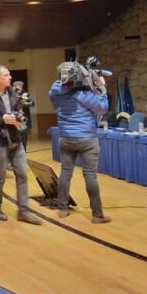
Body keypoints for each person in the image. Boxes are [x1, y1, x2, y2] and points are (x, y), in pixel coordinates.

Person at [0, 65, 41, 225]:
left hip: (15, 140)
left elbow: (16, 110)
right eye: (6, 75)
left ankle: (23, 211)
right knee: (0, 177)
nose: (10, 77)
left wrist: (19, 119)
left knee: (22, 175)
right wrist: (1, 119)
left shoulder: (12, 93)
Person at [49, 62, 112, 224]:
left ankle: (62, 209)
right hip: (87, 139)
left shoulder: (55, 92)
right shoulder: (83, 95)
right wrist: (101, 87)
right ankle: (97, 215)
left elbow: (62, 86)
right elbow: (102, 108)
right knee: (90, 175)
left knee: (65, 173)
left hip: (66, 138)